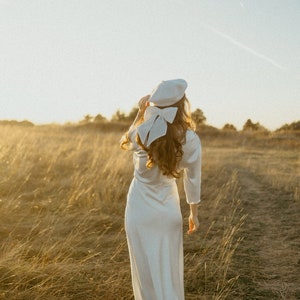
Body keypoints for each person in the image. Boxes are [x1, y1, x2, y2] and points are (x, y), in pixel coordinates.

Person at [120, 79, 201, 300]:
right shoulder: (189, 138)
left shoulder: (140, 131)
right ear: (182, 105)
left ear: (152, 104)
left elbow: (125, 140)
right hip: (166, 212)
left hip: (137, 211)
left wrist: (139, 113)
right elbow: (192, 177)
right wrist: (193, 212)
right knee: (168, 273)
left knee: (145, 274)